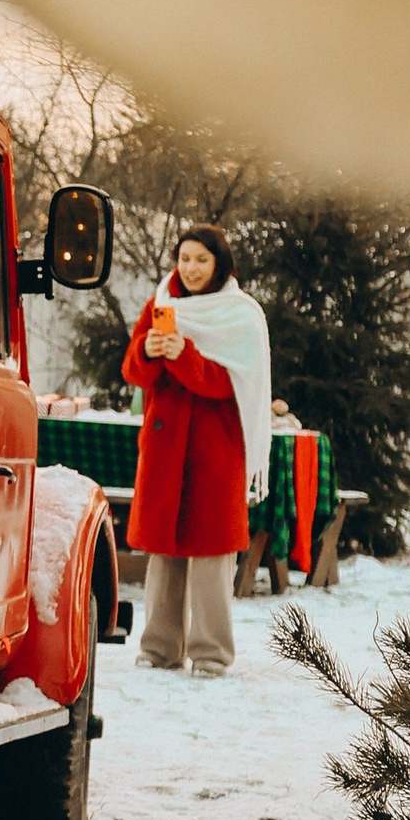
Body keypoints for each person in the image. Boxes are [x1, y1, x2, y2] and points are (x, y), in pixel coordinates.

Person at [123, 224, 273, 676]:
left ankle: (210, 653)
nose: (190, 268)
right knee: (164, 551)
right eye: (184, 258)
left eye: (201, 260)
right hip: (166, 446)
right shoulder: (160, 304)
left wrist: (181, 355)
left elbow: (227, 383)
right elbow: (133, 371)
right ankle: (158, 648)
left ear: (219, 264)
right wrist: (149, 352)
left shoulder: (241, 314)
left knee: (211, 554)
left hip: (215, 448)